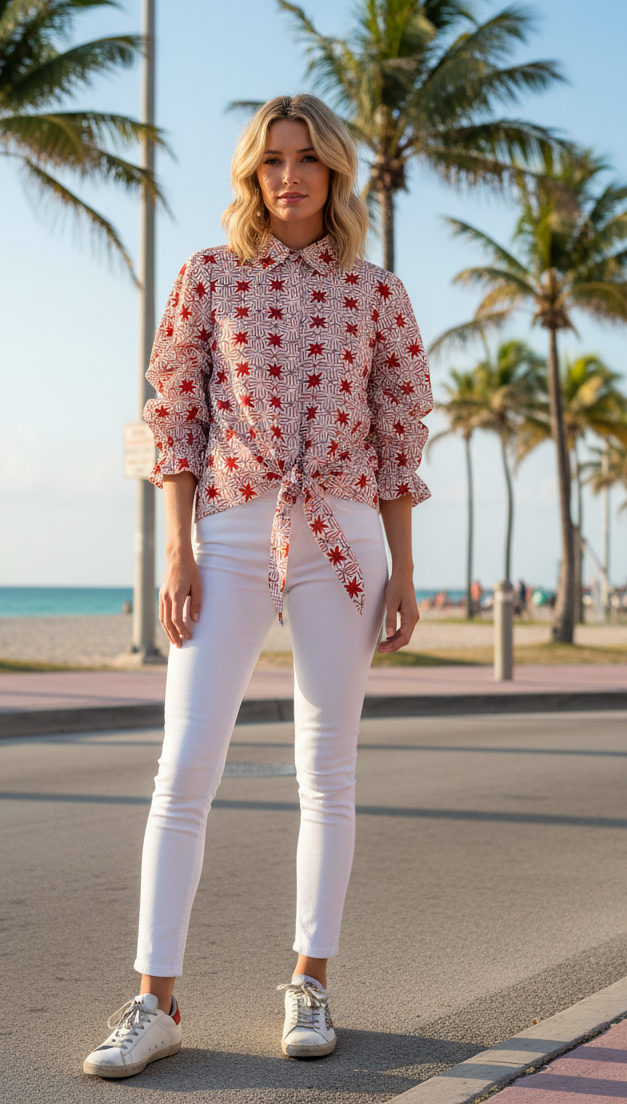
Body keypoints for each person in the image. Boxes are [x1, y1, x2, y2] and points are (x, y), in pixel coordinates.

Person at [82, 94, 433, 1079]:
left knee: (328, 770)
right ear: (251, 173)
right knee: (184, 765)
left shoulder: (377, 293)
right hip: (229, 531)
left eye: (306, 158)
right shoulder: (208, 276)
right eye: (271, 159)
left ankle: (309, 979)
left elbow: (400, 433)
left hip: (344, 534)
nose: (288, 175)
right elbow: (173, 415)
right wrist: (175, 547)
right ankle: (155, 998)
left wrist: (403, 568)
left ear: (334, 173)